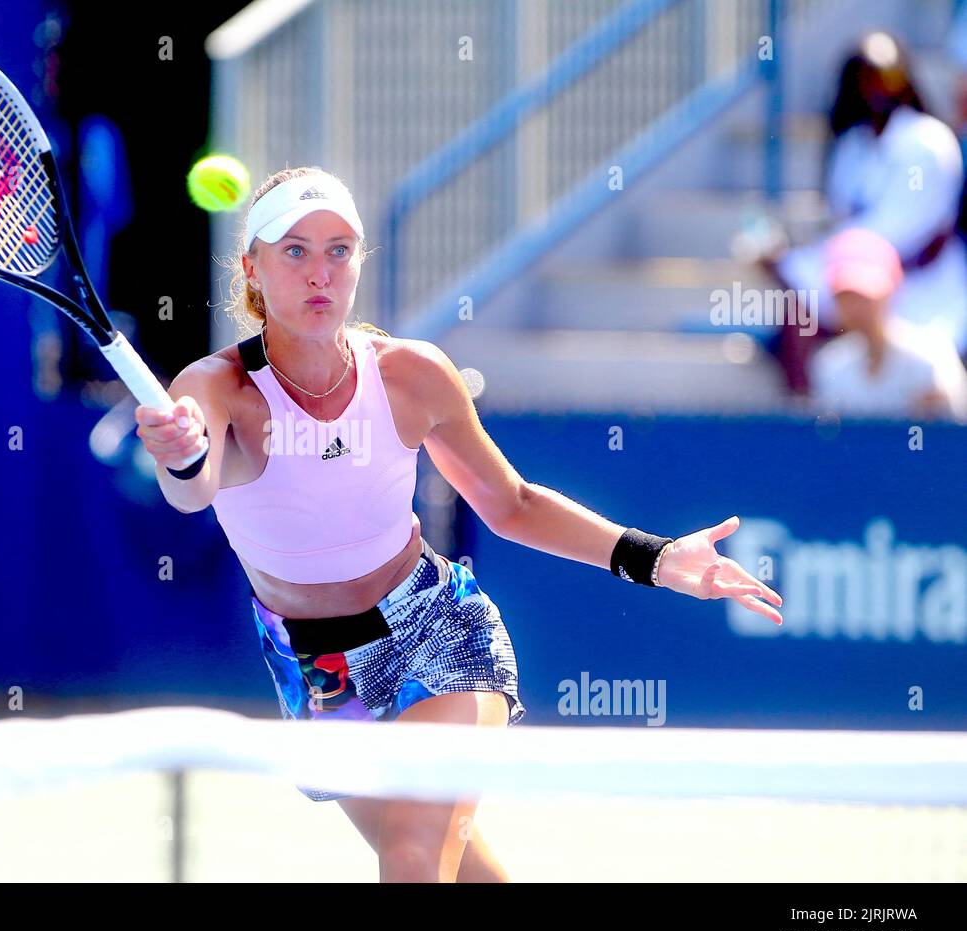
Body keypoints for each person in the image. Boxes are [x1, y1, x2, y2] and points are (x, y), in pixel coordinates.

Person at [135, 166, 784, 883]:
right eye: (295, 251)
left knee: (414, 861)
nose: (320, 273)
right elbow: (191, 493)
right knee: (456, 870)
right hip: (318, 671)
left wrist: (655, 558)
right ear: (253, 267)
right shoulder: (213, 388)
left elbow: (512, 505)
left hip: (438, 631)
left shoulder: (413, 376)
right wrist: (183, 455)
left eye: (339, 250)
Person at [764, 31, 967, 391]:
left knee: (931, 376)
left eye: (885, 78)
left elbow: (900, 230)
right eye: (866, 80)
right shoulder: (852, 146)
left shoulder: (927, 140)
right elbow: (844, 218)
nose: (877, 91)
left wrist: (826, 257)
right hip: (857, 270)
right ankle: (804, 414)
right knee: (797, 300)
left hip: (925, 284)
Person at [810, 228, 967, 421]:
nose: (856, 307)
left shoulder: (931, 357)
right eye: (846, 297)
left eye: (864, 296)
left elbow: (953, 437)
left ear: (890, 290)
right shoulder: (829, 365)